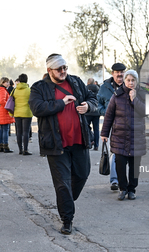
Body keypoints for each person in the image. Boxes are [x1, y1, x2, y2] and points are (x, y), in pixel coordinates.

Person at [28, 54, 97, 235]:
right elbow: (37, 109)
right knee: (62, 183)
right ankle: (67, 219)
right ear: (49, 70)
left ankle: (65, 200)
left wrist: (88, 106)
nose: (63, 71)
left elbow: (93, 98)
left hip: (79, 139)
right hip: (56, 144)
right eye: (59, 69)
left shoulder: (76, 82)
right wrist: (61, 103)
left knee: (83, 174)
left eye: (65, 67)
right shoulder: (39, 88)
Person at [100, 70, 146, 200]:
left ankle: (132, 189)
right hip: (119, 136)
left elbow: (145, 112)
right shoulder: (117, 95)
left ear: (136, 81)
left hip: (136, 138)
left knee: (134, 166)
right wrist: (104, 133)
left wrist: (134, 99)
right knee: (120, 164)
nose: (131, 83)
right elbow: (109, 115)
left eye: (133, 80)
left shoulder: (142, 94)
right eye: (128, 80)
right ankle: (123, 188)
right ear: (124, 81)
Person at [97, 62, 126, 191]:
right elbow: (98, 105)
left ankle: (125, 180)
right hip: (112, 125)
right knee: (115, 152)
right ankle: (115, 180)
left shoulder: (130, 85)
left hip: (128, 125)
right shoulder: (105, 87)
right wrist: (107, 113)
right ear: (113, 73)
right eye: (117, 72)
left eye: (122, 72)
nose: (120, 74)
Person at [12, 73, 33, 155]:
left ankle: (20, 149)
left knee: (19, 132)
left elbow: (11, 100)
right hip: (27, 113)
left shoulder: (15, 90)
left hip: (17, 113)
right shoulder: (29, 90)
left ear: (19, 80)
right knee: (26, 132)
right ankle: (26, 150)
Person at [0, 77, 15, 153]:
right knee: (5, 129)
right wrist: (9, 106)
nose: (8, 83)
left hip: (1, 112)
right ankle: (5, 146)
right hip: (4, 112)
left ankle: (1, 146)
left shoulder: (0, 90)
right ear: (2, 83)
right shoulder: (2, 90)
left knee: (2, 129)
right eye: (6, 82)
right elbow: (2, 101)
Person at [85, 77, 100, 150]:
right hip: (96, 112)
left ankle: (88, 142)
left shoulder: (85, 89)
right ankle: (96, 145)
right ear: (94, 82)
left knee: (86, 128)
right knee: (96, 129)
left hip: (87, 112)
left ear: (88, 83)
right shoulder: (98, 89)